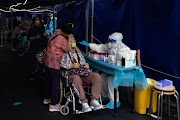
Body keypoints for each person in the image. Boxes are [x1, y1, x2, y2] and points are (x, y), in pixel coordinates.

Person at [80, 32, 130, 109]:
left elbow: (127, 64)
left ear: (118, 42)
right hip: (114, 70)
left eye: (112, 41)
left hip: (123, 72)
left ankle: (115, 101)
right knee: (102, 76)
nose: (110, 43)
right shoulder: (110, 46)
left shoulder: (125, 49)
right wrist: (89, 45)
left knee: (111, 79)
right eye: (109, 41)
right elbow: (101, 48)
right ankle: (105, 96)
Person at [60, 38, 103, 113]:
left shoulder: (78, 52)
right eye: (71, 40)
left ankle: (94, 100)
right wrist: (71, 66)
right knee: (76, 78)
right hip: (71, 73)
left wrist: (86, 65)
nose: (73, 42)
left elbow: (83, 62)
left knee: (97, 76)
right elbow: (60, 64)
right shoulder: (62, 53)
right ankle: (84, 102)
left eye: (74, 40)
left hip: (82, 72)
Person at [42, 21, 73, 112]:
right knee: (55, 82)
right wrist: (71, 40)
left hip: (47, 58)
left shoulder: (57, 31)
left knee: (48, 79)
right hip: (54, 62)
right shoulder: (62, 40)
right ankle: (53, 104)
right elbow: (68, 49)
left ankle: (46, 98)